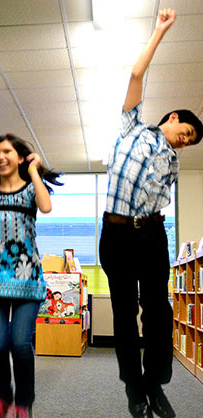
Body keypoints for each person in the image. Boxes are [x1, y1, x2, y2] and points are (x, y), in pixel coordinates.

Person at [99, 8, 202, 418]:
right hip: (116, 233)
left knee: (158, 310)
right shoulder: (133, 127)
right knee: (124, 311)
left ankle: (156, 384)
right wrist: (158, 33)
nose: (185, 141)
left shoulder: (174, 162)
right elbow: (136, 77)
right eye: (186, 133)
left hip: (152, 235)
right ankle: (134, 390)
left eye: (191, 142)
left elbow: (159, 200)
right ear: (173, 118)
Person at [0, 134, 62, 418]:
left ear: (20, 157)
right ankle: (2, 398)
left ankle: (24, 401)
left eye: (7, 151)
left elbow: (46, 206)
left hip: (27, 278)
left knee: (19, 344)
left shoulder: (32, 190)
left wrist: (34, 169)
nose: (0, 157)